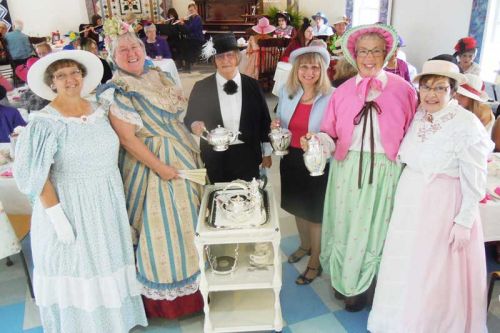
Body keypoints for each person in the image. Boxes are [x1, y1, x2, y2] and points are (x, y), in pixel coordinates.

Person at [13, 50, 147, 332]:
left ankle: (113, 323)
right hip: (71, 206)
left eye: (74, 72)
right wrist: (58, 218)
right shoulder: (45, 123)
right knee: (80, 266)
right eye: (61, 75)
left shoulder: (99, 109)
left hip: (106, 201)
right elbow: (38, 177)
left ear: (84, 76)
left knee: (106, 261)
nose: (70, 79)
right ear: (52, 82)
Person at [368, 59, 492, 333]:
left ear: (453, 91)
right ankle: (397, 320)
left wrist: (464, 221)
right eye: (426, 87)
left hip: (442, 203)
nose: (431, 94)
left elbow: (475, 178)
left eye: (440, 88)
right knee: (404, 260)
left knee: (431, 269)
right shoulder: (420, 114)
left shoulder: (465, 124)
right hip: (410, 196)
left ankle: (427, 324)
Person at [96, 24, 204, 319]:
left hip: (183, 155)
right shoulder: (117, 89)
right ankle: (171, 301)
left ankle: (204, 283)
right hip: (152, 164)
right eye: (124, 50)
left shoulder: (160, 75)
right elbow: (127, 139)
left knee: (194, 219)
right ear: (112, 56)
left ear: (145, 51)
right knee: (164, 226)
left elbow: (175, 115)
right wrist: (161, 168)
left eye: (136, 48)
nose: (131, 53)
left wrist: (191, 130)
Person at [308, 24, 417, 311]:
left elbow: (413, 138)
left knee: (376, 232)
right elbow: (329, 135)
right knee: (345, 227)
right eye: (363, 51)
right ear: (354, 55)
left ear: (387, 53)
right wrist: (317, 142)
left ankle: (370, 288)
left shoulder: (405, 91)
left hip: (385, 172)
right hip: (347, 170)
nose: (369, 57)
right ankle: (345, 282)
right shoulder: (341, 92)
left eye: (376, 51)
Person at [273, 42, 333, 284]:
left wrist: (317, 140)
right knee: (297, 206)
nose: (309, 72)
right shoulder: (288, 93)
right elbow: (280, 119)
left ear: (322, 70)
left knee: (315, 213)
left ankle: (315, 260)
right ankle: (305, 245)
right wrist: (276, 127)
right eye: (304, 67)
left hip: (316, 162)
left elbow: (335, 132)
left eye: (315, 68)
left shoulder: (332, 96)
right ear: (296, 69)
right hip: (291, 157)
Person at [185, 33, 272, 183]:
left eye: (230, 55)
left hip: (248, 154)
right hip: (215, 156)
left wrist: (267, 152)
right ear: (214, 60)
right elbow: (190, 117)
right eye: (220, 57)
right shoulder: (202, 87)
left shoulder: (253, 86)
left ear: (238, 57)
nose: (225, 60)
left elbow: (264, 121)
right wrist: (194, 125)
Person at [178, 3, 204, 72]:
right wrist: (182, 23)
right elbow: (186, 29)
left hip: (197, 39)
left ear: (196, 10)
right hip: (191, 38)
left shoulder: (198, 18)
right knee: (181, 44)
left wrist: (183, 23)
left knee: (187, 46)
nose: (190, 12)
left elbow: (190, 29)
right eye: (189, 11)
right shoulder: (191, 18)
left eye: (192, 10)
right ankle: (184, 65)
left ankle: (188, 66)